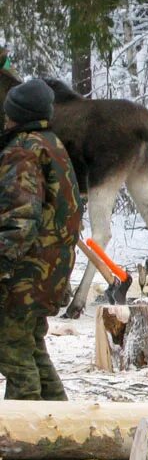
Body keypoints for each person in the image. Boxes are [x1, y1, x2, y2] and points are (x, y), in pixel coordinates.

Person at [0, 79, 83, 400]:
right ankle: (60, 425)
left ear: (16, 115)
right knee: (32, 349)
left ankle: (23, 438)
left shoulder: (22, 151)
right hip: (50, 271)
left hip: (25, 274)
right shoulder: (52, 144)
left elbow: (19, 219)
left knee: (12, 352)